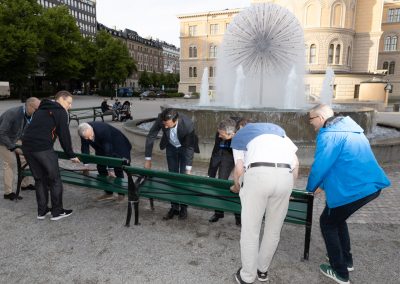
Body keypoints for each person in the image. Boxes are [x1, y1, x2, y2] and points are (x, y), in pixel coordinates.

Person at [306, 104, 391, 284]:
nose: (310, 123)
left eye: (311, 119)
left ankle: (340, 272)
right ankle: (346, 260)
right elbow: (340, 161)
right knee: (337, 218)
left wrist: (310, 189)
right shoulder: (351, 129)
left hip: (354, 189)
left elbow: (320, 166)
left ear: (320, 118)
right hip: (369, 186)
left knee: (327, 223)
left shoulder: (329, 135)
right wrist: (322, 185)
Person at [230, 122, 299, 284]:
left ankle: (247, 276)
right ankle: (262, 271)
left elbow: (239, 169)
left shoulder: (242, 137)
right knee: (273, 230)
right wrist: (289, 190)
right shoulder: (283, 137)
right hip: (285, 177)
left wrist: (237, 186)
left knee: (250, 230)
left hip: (258, 175)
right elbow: (296, 165)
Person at [22, 91, 80, 221]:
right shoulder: (60, 112)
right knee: (55, 180)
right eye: (68, 103)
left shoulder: (40, 109)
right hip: (42, 148)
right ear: (60, 99)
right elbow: (64, 135)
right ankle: (57, 212)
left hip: (27, 147)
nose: (69, 106)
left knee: (39, 179)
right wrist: (71, 154)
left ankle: (42, 212)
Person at [144, 108, 199, 220]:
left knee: (183, 178)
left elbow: (189, 148)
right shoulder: (161, 119)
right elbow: (151, 136)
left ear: (176, 120)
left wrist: (188, 170)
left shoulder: (187, 124)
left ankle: (184, 208)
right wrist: (148, 159)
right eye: (164, 124)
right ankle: (174, 207)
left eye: (168, 124)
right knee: (172, 177)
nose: (165, 127)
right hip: (171, 148)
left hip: (185, 147)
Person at [208, 118, 250, 226]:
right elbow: (216, 152)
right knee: (221, 182)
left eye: (221, 134)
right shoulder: (221, 131)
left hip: (244, 156)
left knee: (240, 184)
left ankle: (239, 215)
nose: (219, 136)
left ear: (232, 133)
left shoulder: (243, 132)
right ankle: (218, 212)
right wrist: (211, 174)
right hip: (228, 155)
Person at [78, 121, 132, 201]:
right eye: (87, 137)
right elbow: (85, 147)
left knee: (117, 167)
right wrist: (86, 165)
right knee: (100, 167)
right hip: (101, 147)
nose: (89, 139)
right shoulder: (83, 131)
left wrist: (110, 169)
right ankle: (108, 192)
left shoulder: (102, 130)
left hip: (118, 145)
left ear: (91, 129)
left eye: (90, 136)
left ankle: (121, 193)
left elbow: (108, 150)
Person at [0, 97, 40, 200]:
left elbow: (25, 131)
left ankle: (25, 185)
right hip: (3, 139)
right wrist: (13, 148)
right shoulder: (12, 113)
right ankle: (8, 193)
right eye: (36, 109)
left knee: (25, 158)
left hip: (15, 137)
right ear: (29, 106)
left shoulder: (31, 114)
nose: (38, 112)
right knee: (10, 163)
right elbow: (2, 133)